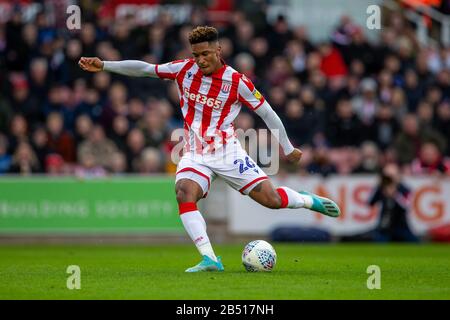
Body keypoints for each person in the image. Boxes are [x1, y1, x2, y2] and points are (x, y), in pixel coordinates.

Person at [78, 26, 340, 272]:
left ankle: (307, 199)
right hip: (194, 152)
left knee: (271, 201)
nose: (200, 60)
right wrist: (104, 65)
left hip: (228, 152)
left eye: (205, 54)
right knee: (183, 192)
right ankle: (210, 258)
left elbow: (268, 113)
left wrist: (287, 147)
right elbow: (146, 68)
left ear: (218, 51)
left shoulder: (237, 82)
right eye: (196, 54)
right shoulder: (183, 69)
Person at [368, 163, 418, 242]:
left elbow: (406, 206)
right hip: (385, 226)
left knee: (416, 243)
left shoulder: (404, 189)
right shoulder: (381, 189)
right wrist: (378, 186)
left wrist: (395, 194)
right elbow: (370, 203)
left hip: (401, 226)